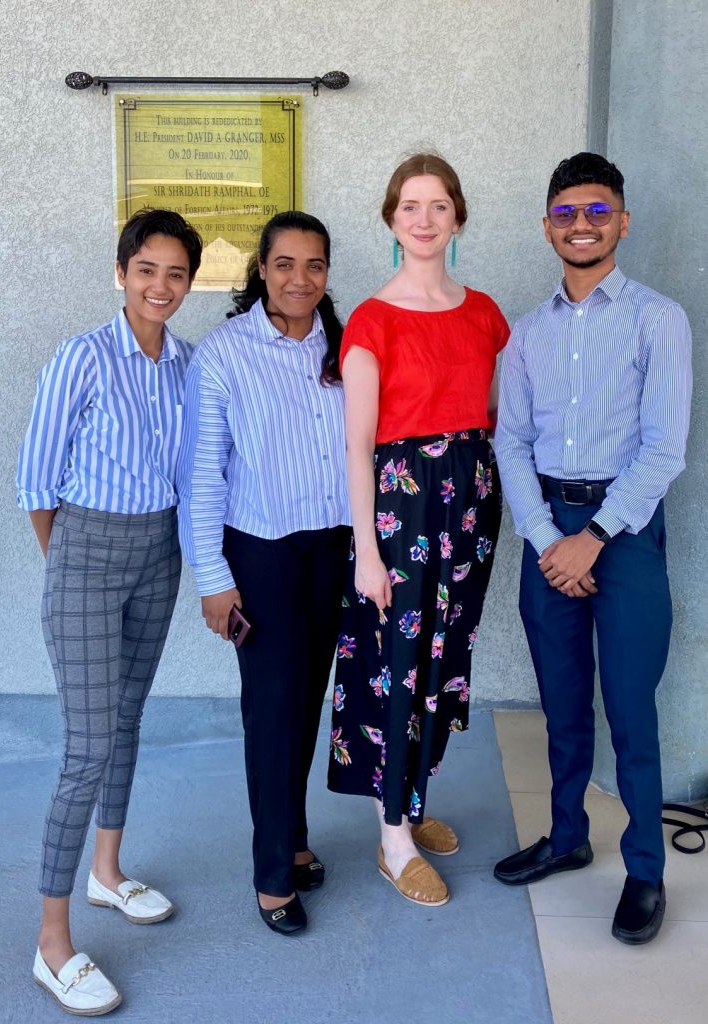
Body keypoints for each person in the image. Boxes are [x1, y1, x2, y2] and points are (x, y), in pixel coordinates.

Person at [493, 152, 692, 945]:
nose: (582, 224)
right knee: (563, 705)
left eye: (597, 211)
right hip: (549, 532)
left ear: (622, 222)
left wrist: (595, 537)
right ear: (547, 227)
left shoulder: (656, 320)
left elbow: (663, 447)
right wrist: (551, 541)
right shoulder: (527, 332)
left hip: (626, 534)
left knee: (630, 710)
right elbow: (510, 442)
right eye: (567, 213)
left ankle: (645, 869)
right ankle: (567, 836)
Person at [16, 209, 202, 1014]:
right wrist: (70, 567)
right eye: (146, 269)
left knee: (126, 719)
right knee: (87, 748)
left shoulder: (187, 364)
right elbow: (36, 480)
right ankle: (52, 943)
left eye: (175, 273)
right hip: (86, 553)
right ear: (122, 272)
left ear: (189, 283)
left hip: (158, 554)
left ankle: (108, 871)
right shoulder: (82, 357)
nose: (160, 286)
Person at [327, 154, 509, 906]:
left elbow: (490, 413)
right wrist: (366, 554)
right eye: (410, 206)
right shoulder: (372, 320)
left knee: (441, 659)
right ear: (391, 220)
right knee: (395, 663)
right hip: (401, 514)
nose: (425, 219)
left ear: (457, 217)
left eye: (438, 205)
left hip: (468, 511)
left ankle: (410, 798)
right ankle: (392, 838)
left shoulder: (485, 313)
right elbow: (357, 447)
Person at [176, 211, 351, 935]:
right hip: (261, 556)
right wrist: (213, 579)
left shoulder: (343, 346)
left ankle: (295, 837)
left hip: (331, 551)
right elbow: (201, 476)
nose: (299, 279)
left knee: (306, 703)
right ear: (261, 269)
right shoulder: (224, 354)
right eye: (284, 264)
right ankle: (273, 873)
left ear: (326, 273)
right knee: (272, 710)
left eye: (314, 265)